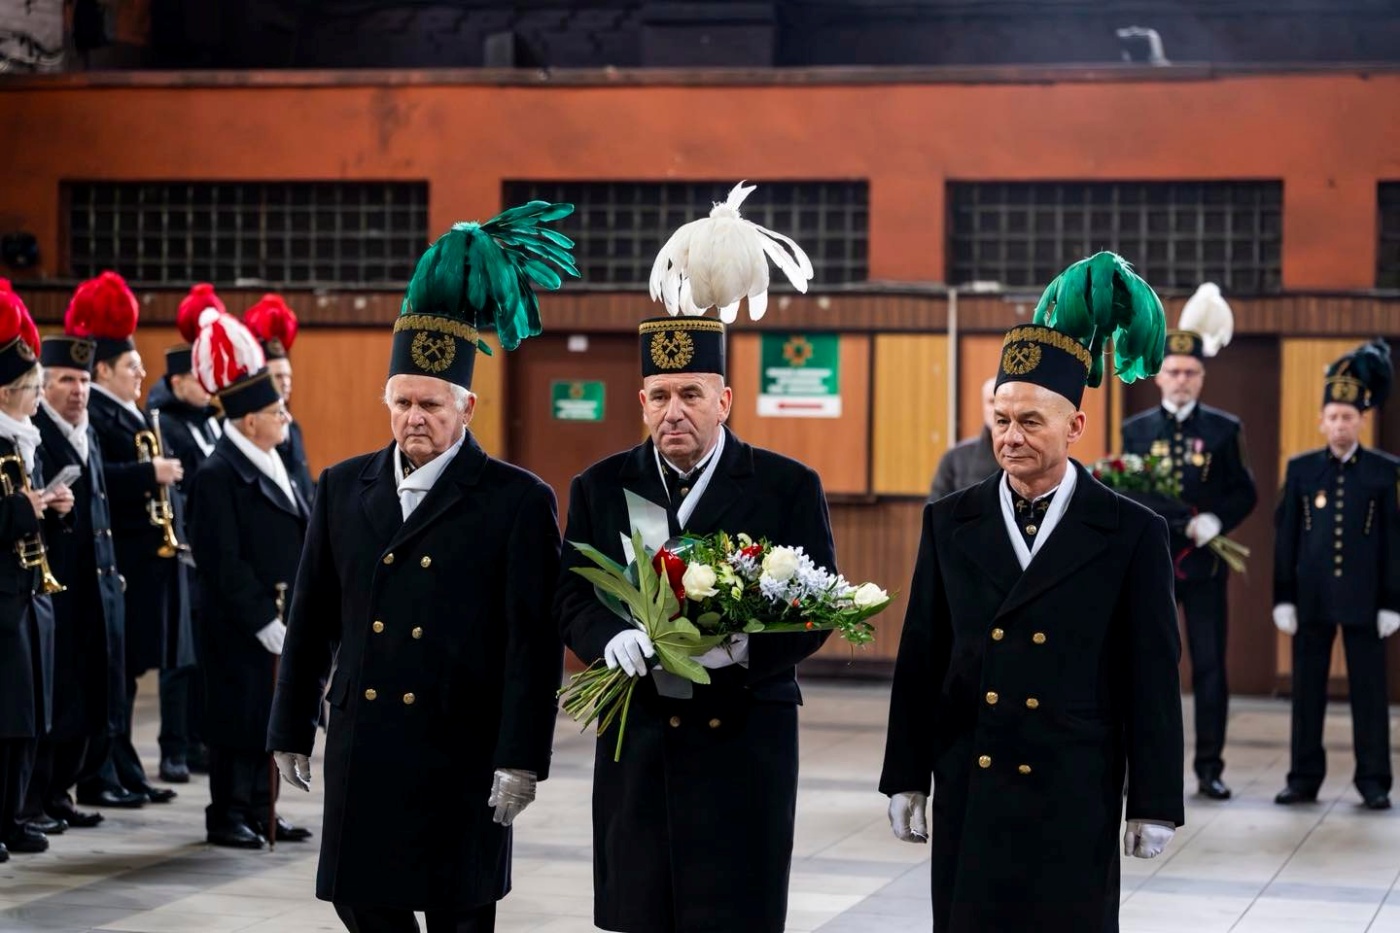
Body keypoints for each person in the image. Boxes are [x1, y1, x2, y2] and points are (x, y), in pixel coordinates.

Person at [268, 202, 574, 933]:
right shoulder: (343, 486)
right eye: (403, 401)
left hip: (459, 753)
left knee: (460, 916)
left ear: (466, 405)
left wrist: (523, 758)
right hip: (365, 743)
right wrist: (287, 727)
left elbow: (533, 645)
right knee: (360, 899)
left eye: (431, 404)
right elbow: (311, 618)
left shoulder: (517, 500)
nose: (415, 417)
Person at [881, 252, 1185, 932]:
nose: (1010, 437)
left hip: (1074, 782)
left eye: (1030, 422)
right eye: (1001, 419)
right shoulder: (949, 520)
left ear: (1075, 427)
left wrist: (1155, 798)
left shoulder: (1131, 531)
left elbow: (1152, 672)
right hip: (971, 776)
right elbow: (922, 653)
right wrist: (905, 773)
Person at [557, 183, 831, 933]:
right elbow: (571, 594)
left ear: (725, 399)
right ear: (640, 401)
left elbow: (817, 607)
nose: (673, 411)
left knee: (733, 913)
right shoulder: (603, 486)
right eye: (658, 396)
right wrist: (603, 638)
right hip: (641, 738)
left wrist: (740, 646)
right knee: (643, 908)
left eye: (690, 393)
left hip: (745, 737)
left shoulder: (784, 486)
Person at [1121, 283, 1257, 800]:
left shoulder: (1224, 430)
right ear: (1160, 376)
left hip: (1203, 565)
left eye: (1191, 372)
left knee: (1209, 666)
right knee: (1150, 664)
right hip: (1153, 564)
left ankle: (1209, 767)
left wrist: (1218, 522)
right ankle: (1146, 762)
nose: (1181, 380)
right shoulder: (1136, 431)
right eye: (1174, 371)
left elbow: (1246, 492)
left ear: (1202, 376)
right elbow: (1124, 489)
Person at [187, 308, 312, 848]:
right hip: (240, 623)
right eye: (274, 410)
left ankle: (265, 809)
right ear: (247, 420)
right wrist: (262, 618)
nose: (285, 416)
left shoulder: (272, 458)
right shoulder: (219, 473)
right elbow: (221, 559)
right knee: (237, 723)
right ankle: (229, 813)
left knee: (271, 719)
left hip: (280, 616)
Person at [71, 271, 187, 808]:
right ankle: (102, 773)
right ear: (101, 370)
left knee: (130, 668)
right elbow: (101, 477)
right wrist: (151, 474)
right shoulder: (94, 410)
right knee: (114, 673)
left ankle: (124, 770)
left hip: (146, 557)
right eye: (131, 367)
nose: (141, 374)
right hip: (122, 557)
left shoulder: (129, 411)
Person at [1273, 338, 1397, 811]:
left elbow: (1394, 543)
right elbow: (1285, 537)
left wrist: (1393, 600)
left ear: (1361, 420)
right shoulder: (1302, 470)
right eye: (1334, 417)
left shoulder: (1386, 473)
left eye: (1349, 417)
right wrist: (1282, 596)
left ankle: (1374, 780)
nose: (1341, 425)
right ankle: (1303, 778)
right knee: (1307, 693)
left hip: (1367, 600)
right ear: (1322, 421)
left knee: (1370, 694)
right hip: (1312, 597)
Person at [21, 326, 128, 830]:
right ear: (42, 387)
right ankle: (34, 797)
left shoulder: (87, 433)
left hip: (95, 587)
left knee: (88, 692)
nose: (78, 390)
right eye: (66, 379)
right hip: (57, 588)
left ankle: (61, 792)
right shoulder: (34, 434)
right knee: (55, 698)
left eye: (84, 380)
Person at [143, 283, 225, 784]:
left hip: (208, 550)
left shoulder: (206, 419)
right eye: (200, 377)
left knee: (202, 658)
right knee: (178, 657)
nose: (209, 384)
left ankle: (195, 740)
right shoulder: (165, 422)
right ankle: (171, 747)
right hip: (181, 550)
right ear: (177, 380)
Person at [0, 282, 68, 858]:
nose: (38, 399)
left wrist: (52, 510)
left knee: (30, 713)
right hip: (2, 597)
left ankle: (16, 811)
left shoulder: (26, 440)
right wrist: (27, 507)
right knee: (7, 715)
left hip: (29, 591)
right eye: (31, 390)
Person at [244, 294, 314, 505]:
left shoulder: (294, 428)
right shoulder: (251, 427)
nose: (285, 383)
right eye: (277, 376)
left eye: (288, 376)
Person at [929, 376, 1000, 502]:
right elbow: (935, 513)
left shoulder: (1033, 453)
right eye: (991, 401)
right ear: (983, 406)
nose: (997, 409)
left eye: (1002, 401)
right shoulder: (955, 457)